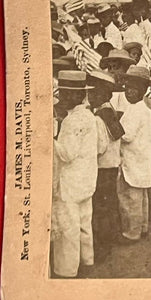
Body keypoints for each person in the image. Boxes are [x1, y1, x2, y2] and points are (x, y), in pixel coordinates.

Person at [52, 71, 98, 277]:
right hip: (86, 179)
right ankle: (87, 261)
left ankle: (67, 270)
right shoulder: (88, 116)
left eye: (66, 94)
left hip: (70, 182)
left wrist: (49, 139)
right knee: (84, 222)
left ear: (78, 95)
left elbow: (67, 153)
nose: (62, 98)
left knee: (68, 226)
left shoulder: (72, 121)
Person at [86, 70, 123, 263]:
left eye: (94, 93)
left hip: (102, 166)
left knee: (101, 205)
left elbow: (99, 147)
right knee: (110, 202)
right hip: (113, 163)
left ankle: (104, 242)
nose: (90, 97)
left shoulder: (100, 117)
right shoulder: (109, 111)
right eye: (90, 93)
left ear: (105, 95)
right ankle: (113, 235)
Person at [117, 66, 151, 242]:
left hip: (134, 160)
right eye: (127, 88)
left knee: (130, 198)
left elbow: (127, 135)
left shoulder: (139, 110)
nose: (129, 92)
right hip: (140, 159)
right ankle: (143, 226)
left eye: (134, 89)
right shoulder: (139, 109)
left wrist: (112, 125)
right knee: (141, 197)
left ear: (143, 90)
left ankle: (132, 233)